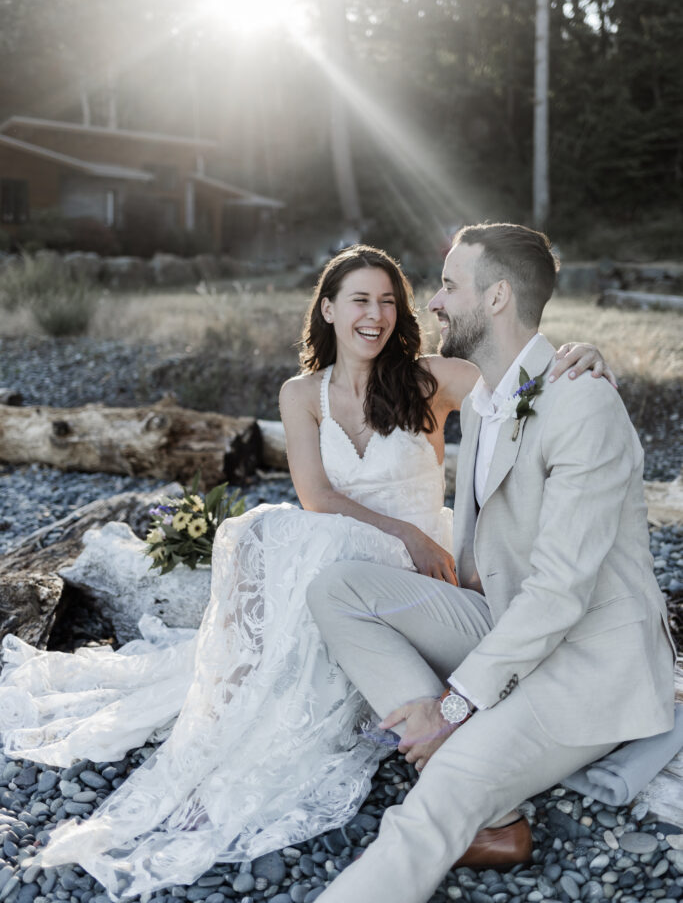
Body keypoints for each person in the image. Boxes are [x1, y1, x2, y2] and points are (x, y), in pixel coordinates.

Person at [0, 245, 612, 901]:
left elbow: (526, 391)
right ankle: (260, 731)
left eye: (387, 302)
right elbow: (317, 495)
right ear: (326, 309)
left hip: (416, 566)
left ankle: (430, 755)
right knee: (274, 531)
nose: (375, 315)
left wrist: (580, 358)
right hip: (357, 548)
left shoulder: (428, 378)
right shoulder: (301, 394)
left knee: (288, 540)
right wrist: (399, 531)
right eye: (359, 300)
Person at [307, 226, 679, 903]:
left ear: (498, 296)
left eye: (449, 284)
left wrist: (456, 703)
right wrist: (437, 708)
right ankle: (426, 729)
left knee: (435, 803)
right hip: (508, 624)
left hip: (587, 662)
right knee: (338, 587)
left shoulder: (580, 403)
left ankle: (448, 776)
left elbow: (560, 593)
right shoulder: (485, 397)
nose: (435, 302)